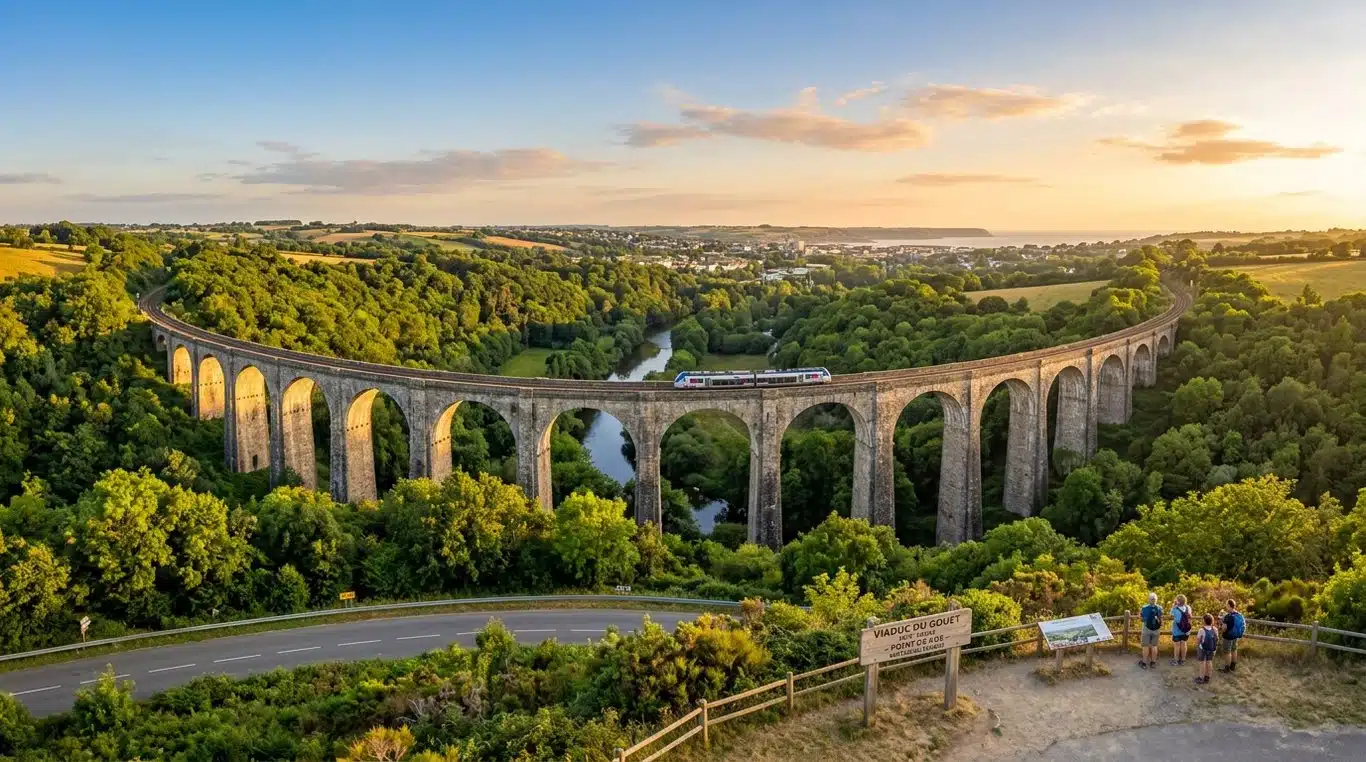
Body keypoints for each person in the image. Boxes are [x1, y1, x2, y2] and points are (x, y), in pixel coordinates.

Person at [1220, 598, 1245, 673]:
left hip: (1228, 636)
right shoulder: (1239, 614)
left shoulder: (1228, 616)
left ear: (1229, 605)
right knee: (1234, 649)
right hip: (1236, 636)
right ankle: (1233, 666)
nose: (1225, 606)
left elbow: (1224, 628)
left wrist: (1221, 626)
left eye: (1226, 604)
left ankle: (1227, 668)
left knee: (1227, 652)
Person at [1138, 592, 1163, 669]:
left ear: (1149, 599)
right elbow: (1161, 619)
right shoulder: (1160, 608)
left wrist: (1139, 615)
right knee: (1154, 646)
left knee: (1145, 646)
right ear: (1156, 600)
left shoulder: (1144, 607)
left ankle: (1144, 663)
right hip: (1156, 629)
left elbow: (1141, 619)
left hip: (1146, 628)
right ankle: (1153, 663)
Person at [1195, 613, 1219, 684]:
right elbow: (1217, 638)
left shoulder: (1201, 630)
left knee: (1202, 663)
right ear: (1212, 621)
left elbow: (1198, 640)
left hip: (1203, 648)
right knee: (1209, 661)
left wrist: (1198, 646)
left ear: (1204, 621)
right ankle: (1207, 677)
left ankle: (1201, 677)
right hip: (1211, 648)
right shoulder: (1215, 629)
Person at [1170, 594, 1193, 666]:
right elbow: (1190, 617)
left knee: (1177, 645)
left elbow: (1171, 617)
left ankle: (1176, 661)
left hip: (1177, 630)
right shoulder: (1188, 607)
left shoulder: (1174, 609)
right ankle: (1183, 660)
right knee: (1184, 644)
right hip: (1186, 629)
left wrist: (1173, 607)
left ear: (1178, 602)